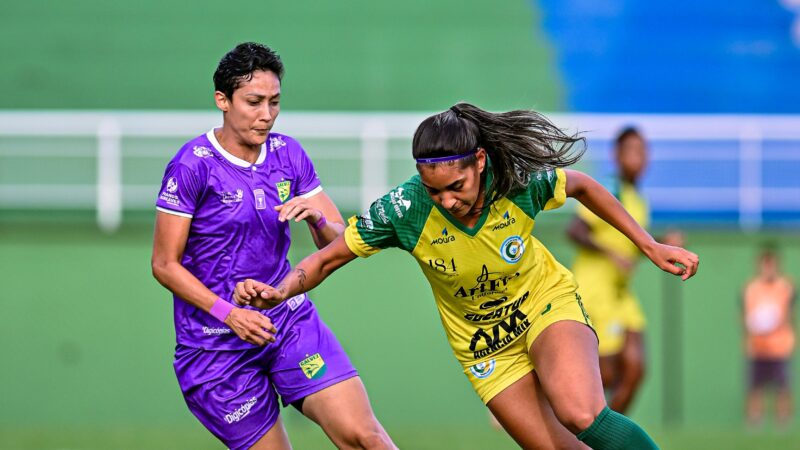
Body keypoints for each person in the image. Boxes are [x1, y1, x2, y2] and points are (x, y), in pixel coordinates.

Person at [234, 103, 700, 449]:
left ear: (479, 161)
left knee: (579, 410)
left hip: (542, 304)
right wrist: (279, 291)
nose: (447, 201)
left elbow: (580, 185)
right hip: (486, 349)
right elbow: (326, 259)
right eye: (434, 191)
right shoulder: (406, 209)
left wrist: (648, 244)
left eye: (456, 187)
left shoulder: (514, 180)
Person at [150, 42, 395, 450]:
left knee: (365, 436)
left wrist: (317, 218)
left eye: (274, 102)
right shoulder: (192, 165)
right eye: (254, 102)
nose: (266, 115)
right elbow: (164, 264)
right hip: (215, 346)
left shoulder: (288, 154)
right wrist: (231, 315)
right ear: (222, 101)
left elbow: (340, 241)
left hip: (287, 320)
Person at [566, 127, 683, 413]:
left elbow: (633, 248)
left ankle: (606, 440)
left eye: (643, 151)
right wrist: (610, 253)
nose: (639, 158)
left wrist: (662, 243)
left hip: (621, 294)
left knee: (635, 370)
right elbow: (575, 230)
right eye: (632, 150)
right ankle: (546, 392)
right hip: (596, 290)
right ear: (616, 155)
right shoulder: (609, 188)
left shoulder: (638, 200)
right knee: (606, 376)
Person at [743, 245, 795, 428]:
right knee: (755, 387)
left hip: (779, 346)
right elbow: (746, 316)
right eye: (765, 264)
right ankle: (754, 422)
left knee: (782, 387)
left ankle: (783, 422)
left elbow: (787, 314)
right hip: (757, 346)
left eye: (771, 264)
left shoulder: (785, 287)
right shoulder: (751, 288)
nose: (768, 268)